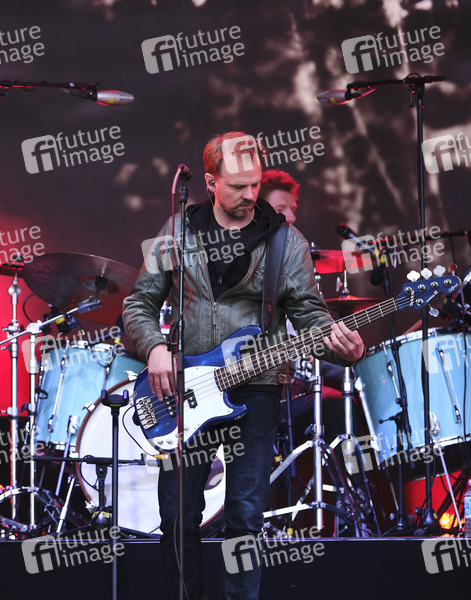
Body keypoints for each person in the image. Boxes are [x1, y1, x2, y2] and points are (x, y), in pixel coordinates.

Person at [122, 132, 365, 599]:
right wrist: (154, 347)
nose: (250, 195)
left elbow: (311, 317)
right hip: (188, 389)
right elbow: (138, 304)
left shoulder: (285, 241)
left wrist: (343, 350)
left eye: (255, 184)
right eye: (237, 186)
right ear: (210, 182)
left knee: (245, 519)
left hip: (256, 389)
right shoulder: (177, 230)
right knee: (176, 518)